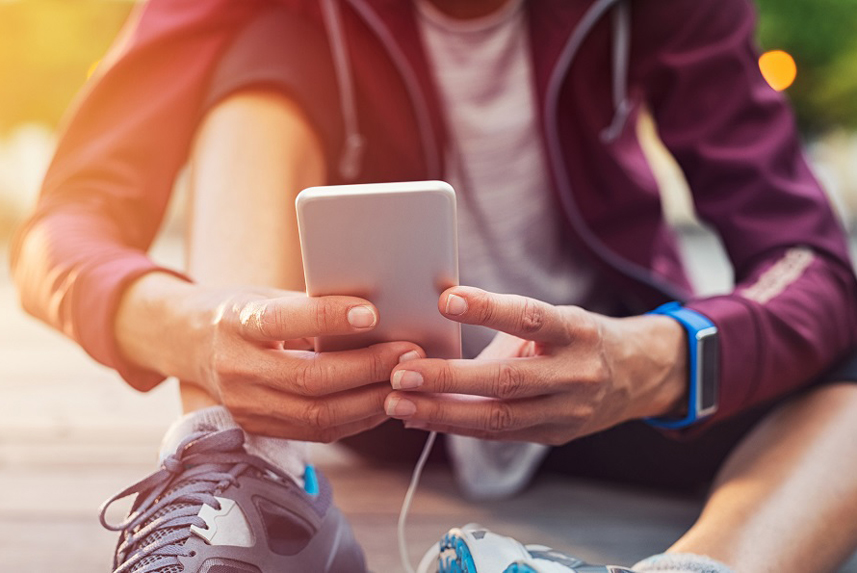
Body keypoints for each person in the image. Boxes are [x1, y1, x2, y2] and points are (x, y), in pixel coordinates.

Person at [11, 0, 857, 571]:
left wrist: (654, 358)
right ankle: (241, 469)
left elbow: (812, 265)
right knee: (263, 51)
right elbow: (63, 226)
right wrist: (190, 327)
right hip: (367, 391)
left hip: (598, 380)